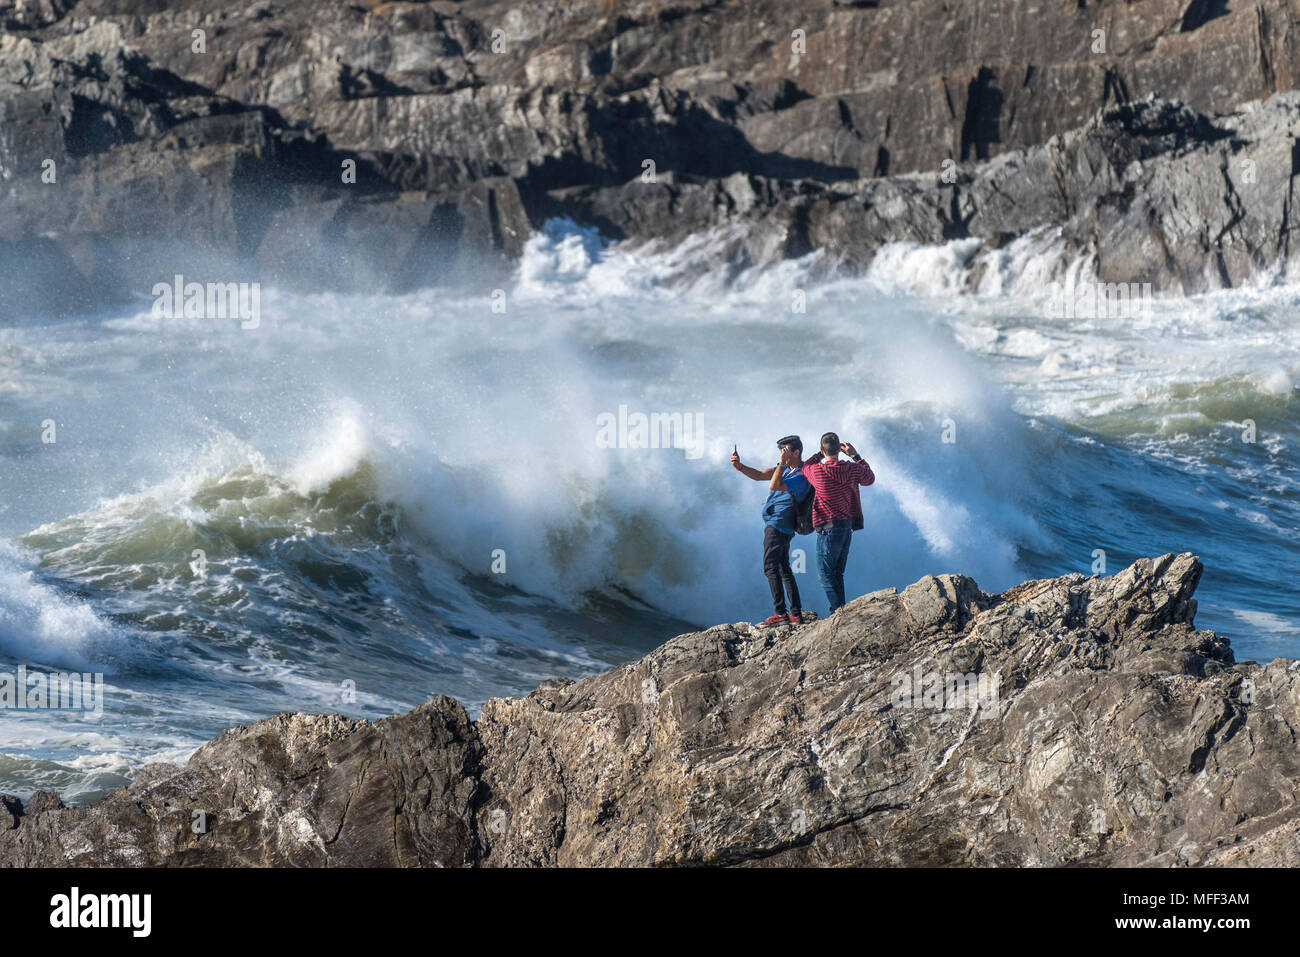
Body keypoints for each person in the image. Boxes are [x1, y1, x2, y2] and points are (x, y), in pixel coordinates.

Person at [730, 435, 812, 626]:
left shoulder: (801, 476)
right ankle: (795, 614)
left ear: (796, 452)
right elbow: (760, 475)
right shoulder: (786, 470)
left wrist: (782, 464)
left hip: (779, 524)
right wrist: (740, 467)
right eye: (780, 452)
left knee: (770, 567)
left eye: (784, 451)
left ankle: (780, 613)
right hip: (777, 523)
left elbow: (774, 484)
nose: (781, 455)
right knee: (783, 568)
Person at [801, 431, 875, 613]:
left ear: (821, 449)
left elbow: (805, 466)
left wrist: (819, 454)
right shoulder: (852, 469)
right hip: (846, 527)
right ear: (839, 450)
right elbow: (870, 478)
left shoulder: (818, 471)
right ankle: (840, 608)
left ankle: (838, 610)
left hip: (828, 529)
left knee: (825, 575)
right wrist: (855, 456)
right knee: (836, 573)